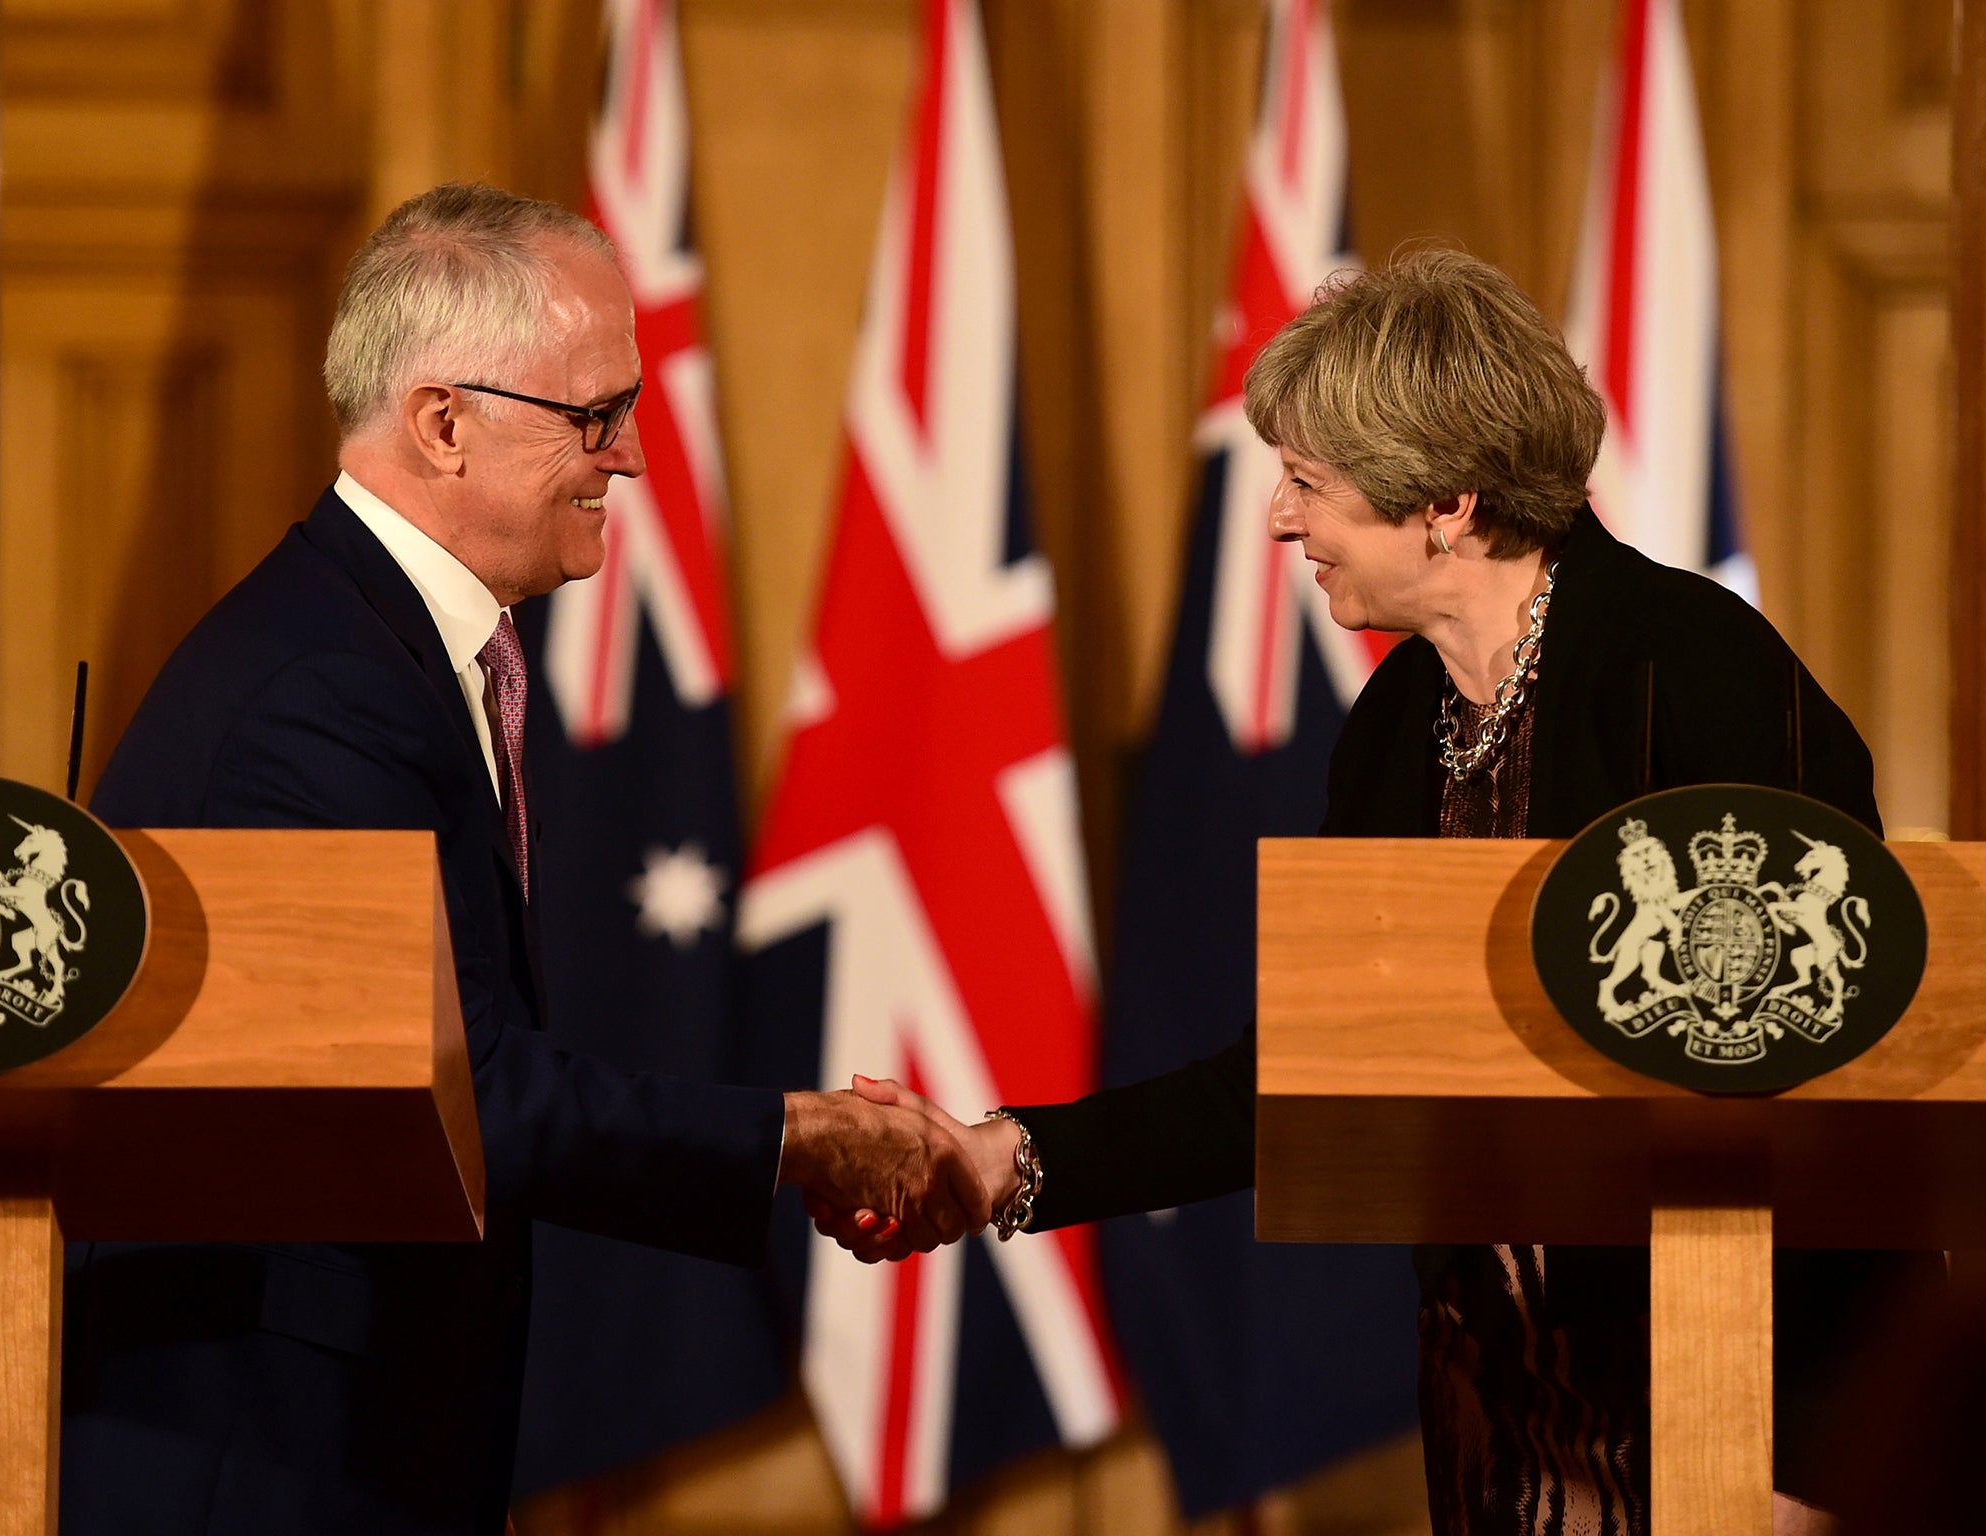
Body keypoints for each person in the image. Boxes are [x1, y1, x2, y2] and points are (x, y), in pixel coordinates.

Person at [824, 249, 1938, 1535]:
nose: (1282, 522)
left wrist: (1808, 1474)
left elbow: (1843, 1071)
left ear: (1449, 504)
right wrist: (1004, 1158)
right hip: (1505, 1413)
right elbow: (1306, 1065)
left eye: (1308, 485)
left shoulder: (1694, 673)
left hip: (1738, 1417)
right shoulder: (1397, 719)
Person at [63, 183, 991, 1536]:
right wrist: (795, 1139)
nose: (628, 457)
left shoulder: (384, 648)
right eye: (593, 417)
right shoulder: (321, 695)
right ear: (441, 421)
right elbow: (462, 1088)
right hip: (255, 1459)